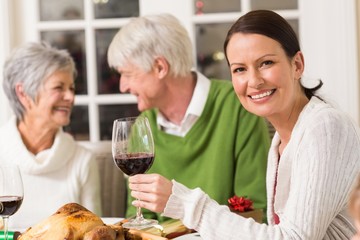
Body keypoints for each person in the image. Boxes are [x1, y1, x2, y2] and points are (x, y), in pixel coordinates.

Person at [126, 10, 360, 239]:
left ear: (297, 64)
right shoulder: (283, 139)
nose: (254, 81)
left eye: (266, 63)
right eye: (239, 69)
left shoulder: (324, 127)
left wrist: (185, 203)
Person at [107, 14, 270, 222]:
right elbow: (139, 217)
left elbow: (253, 212)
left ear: (160, 67)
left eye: (127, 74)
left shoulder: (237, 107)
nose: (122, 86)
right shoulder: (142, 127)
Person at [0, 42, 102, 230]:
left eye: (71, 88)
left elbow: (95, 231)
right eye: (59, 87)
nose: (70, 97)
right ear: (23, 94)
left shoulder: (82, 160)